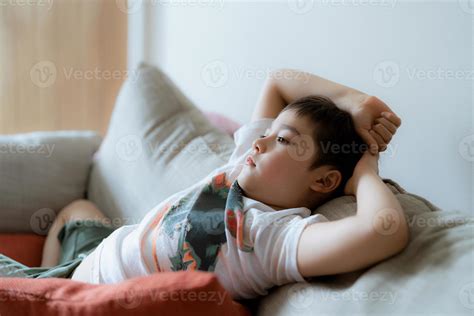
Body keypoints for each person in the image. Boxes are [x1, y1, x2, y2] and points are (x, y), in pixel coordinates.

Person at [0, 68, 408, 300]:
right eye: (272, 131)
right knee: (77, 209)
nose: (262, 140)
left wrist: (366, 171)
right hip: (79, 267)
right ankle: (44, 277)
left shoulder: (273, 238)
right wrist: (354, 100)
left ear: (325, 180)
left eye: (284, 140)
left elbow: (381, 230)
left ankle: (40, 292)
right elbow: (278, 81)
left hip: (86, 297)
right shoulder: (242, 166)